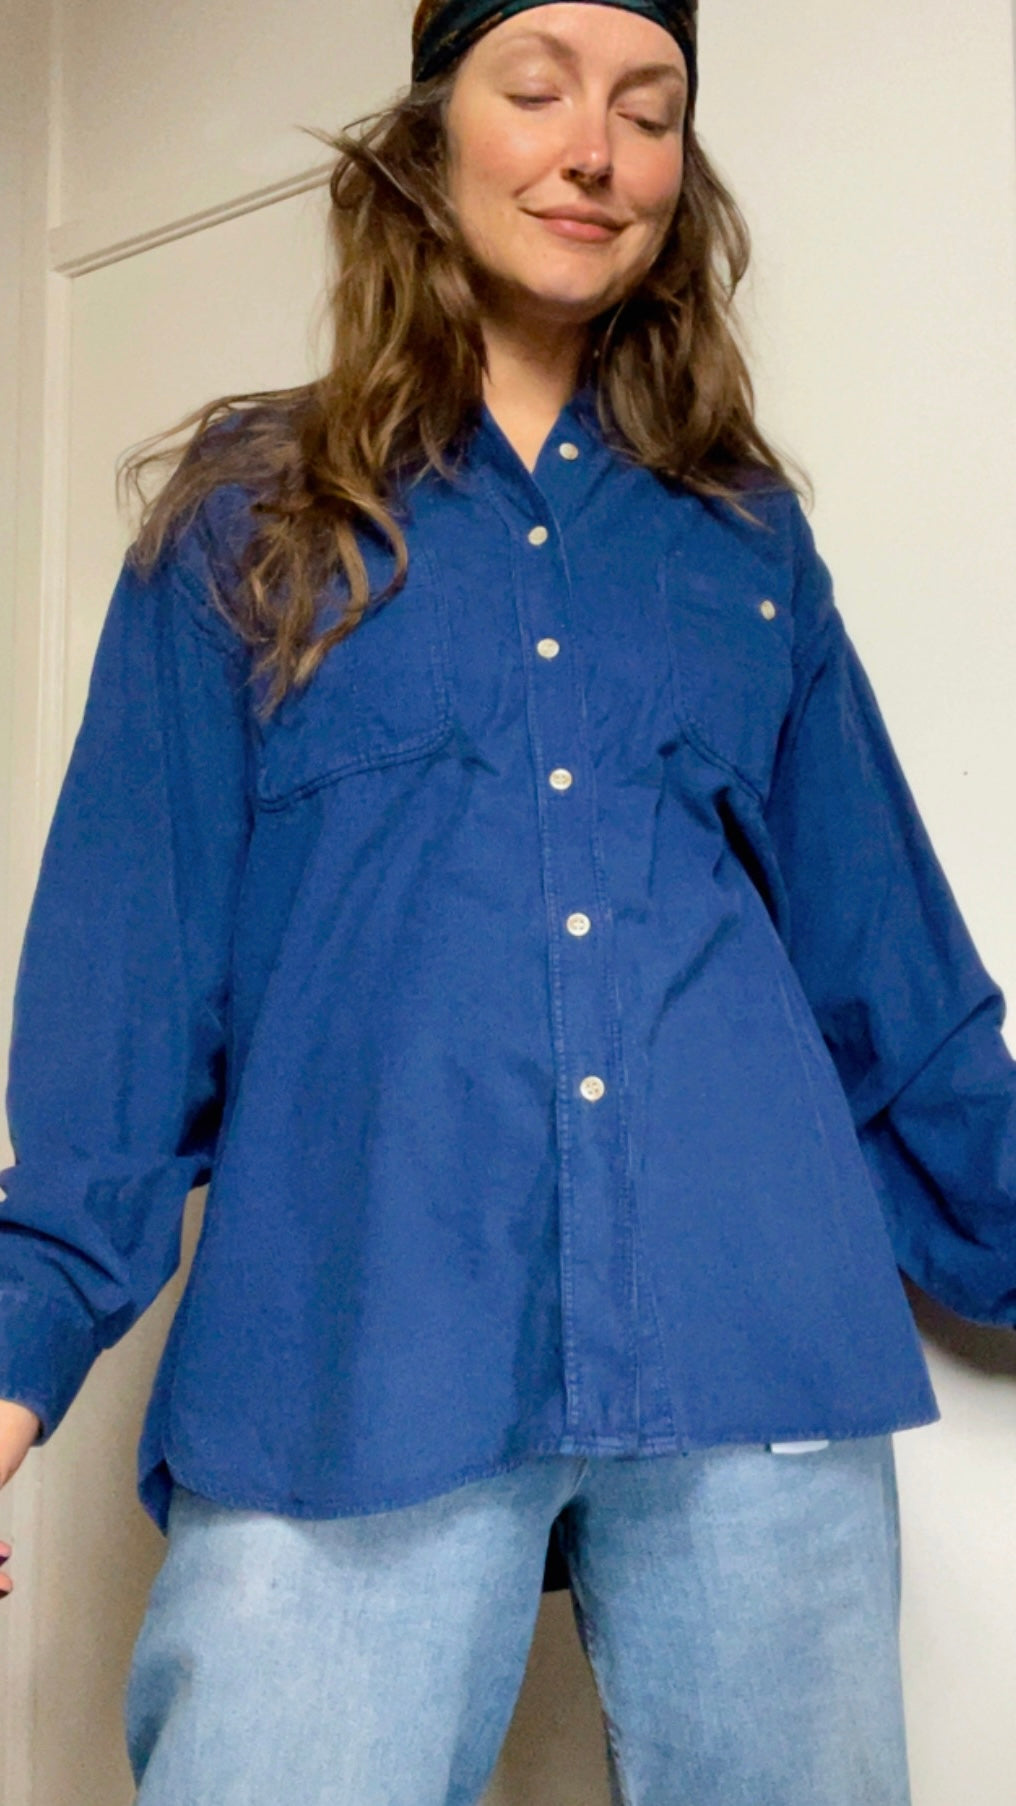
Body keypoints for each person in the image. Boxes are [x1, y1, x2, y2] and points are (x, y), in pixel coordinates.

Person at [1, 0, 1014, 1800]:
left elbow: (894, 981)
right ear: (428, 135)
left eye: (649, 109)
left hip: (750, 1339)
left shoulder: (744, 539)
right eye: (536, 89)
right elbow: (122, 1008)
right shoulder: (246, 522)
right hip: (355, 1346)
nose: (594, 151)